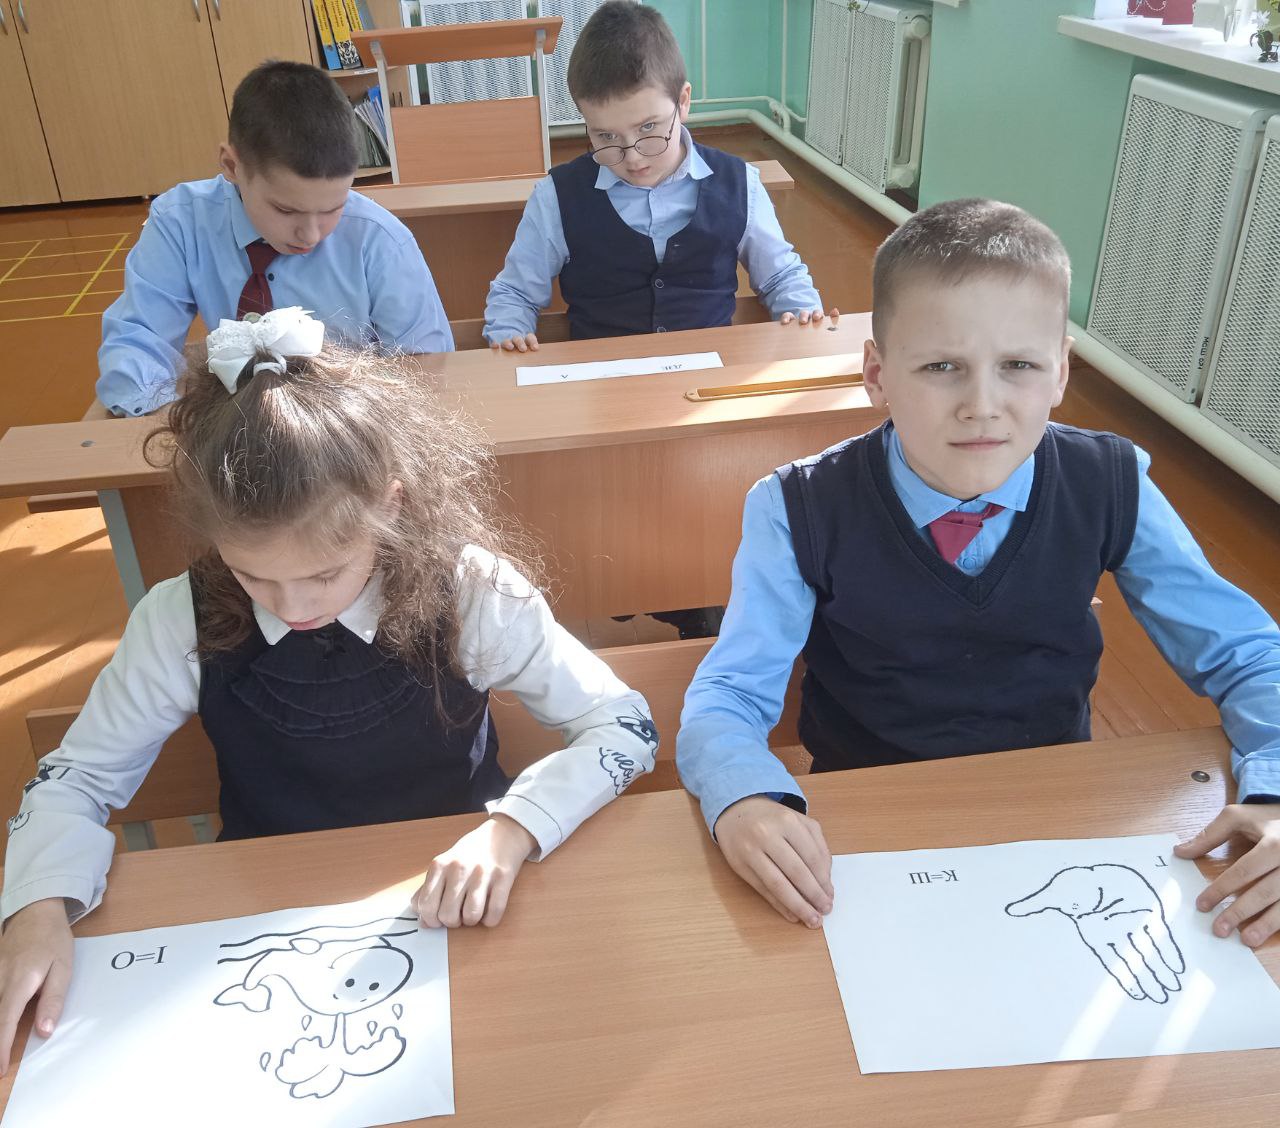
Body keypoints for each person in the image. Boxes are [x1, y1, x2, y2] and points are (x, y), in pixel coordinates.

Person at [0, 308, 656, 1071]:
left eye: (325, 574)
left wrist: (513, 829)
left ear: (391, 504)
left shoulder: (469, 591)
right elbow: (76, 778)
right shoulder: (180, 616)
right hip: (267, 917)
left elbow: (624, 724)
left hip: (463, 901)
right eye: (253, 576)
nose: (294, 606)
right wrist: (36, 906)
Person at [676, 198, 1280, 945]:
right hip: (867, 823)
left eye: (1019, 366)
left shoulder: (1111, 481)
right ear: (877, 374)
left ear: (1061, 372)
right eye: (942, 367)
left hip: (1061, 808)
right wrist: (743, 797)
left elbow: (1249, 655)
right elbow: (730, 694)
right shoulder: (794, 507)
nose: (982, 406)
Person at [97, 61, 453, 417]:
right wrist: (163, 419)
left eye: (333, 208)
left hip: (353, 419)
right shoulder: (180, 222)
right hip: (236, 419)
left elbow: (425, 365)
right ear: (232, 167)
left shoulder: (381, 240)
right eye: (286, 210)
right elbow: (139, 341)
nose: (311, 234)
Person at [482, 0, 828, 351]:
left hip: (710, 373)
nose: (632, 157)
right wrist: (509, 332)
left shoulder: (740, 185)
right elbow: (515, 293)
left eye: (648, 128)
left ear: (683, 101)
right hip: (602, 375)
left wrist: (803, 314)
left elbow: (781, 276)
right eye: (606, 136)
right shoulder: (557, 197)